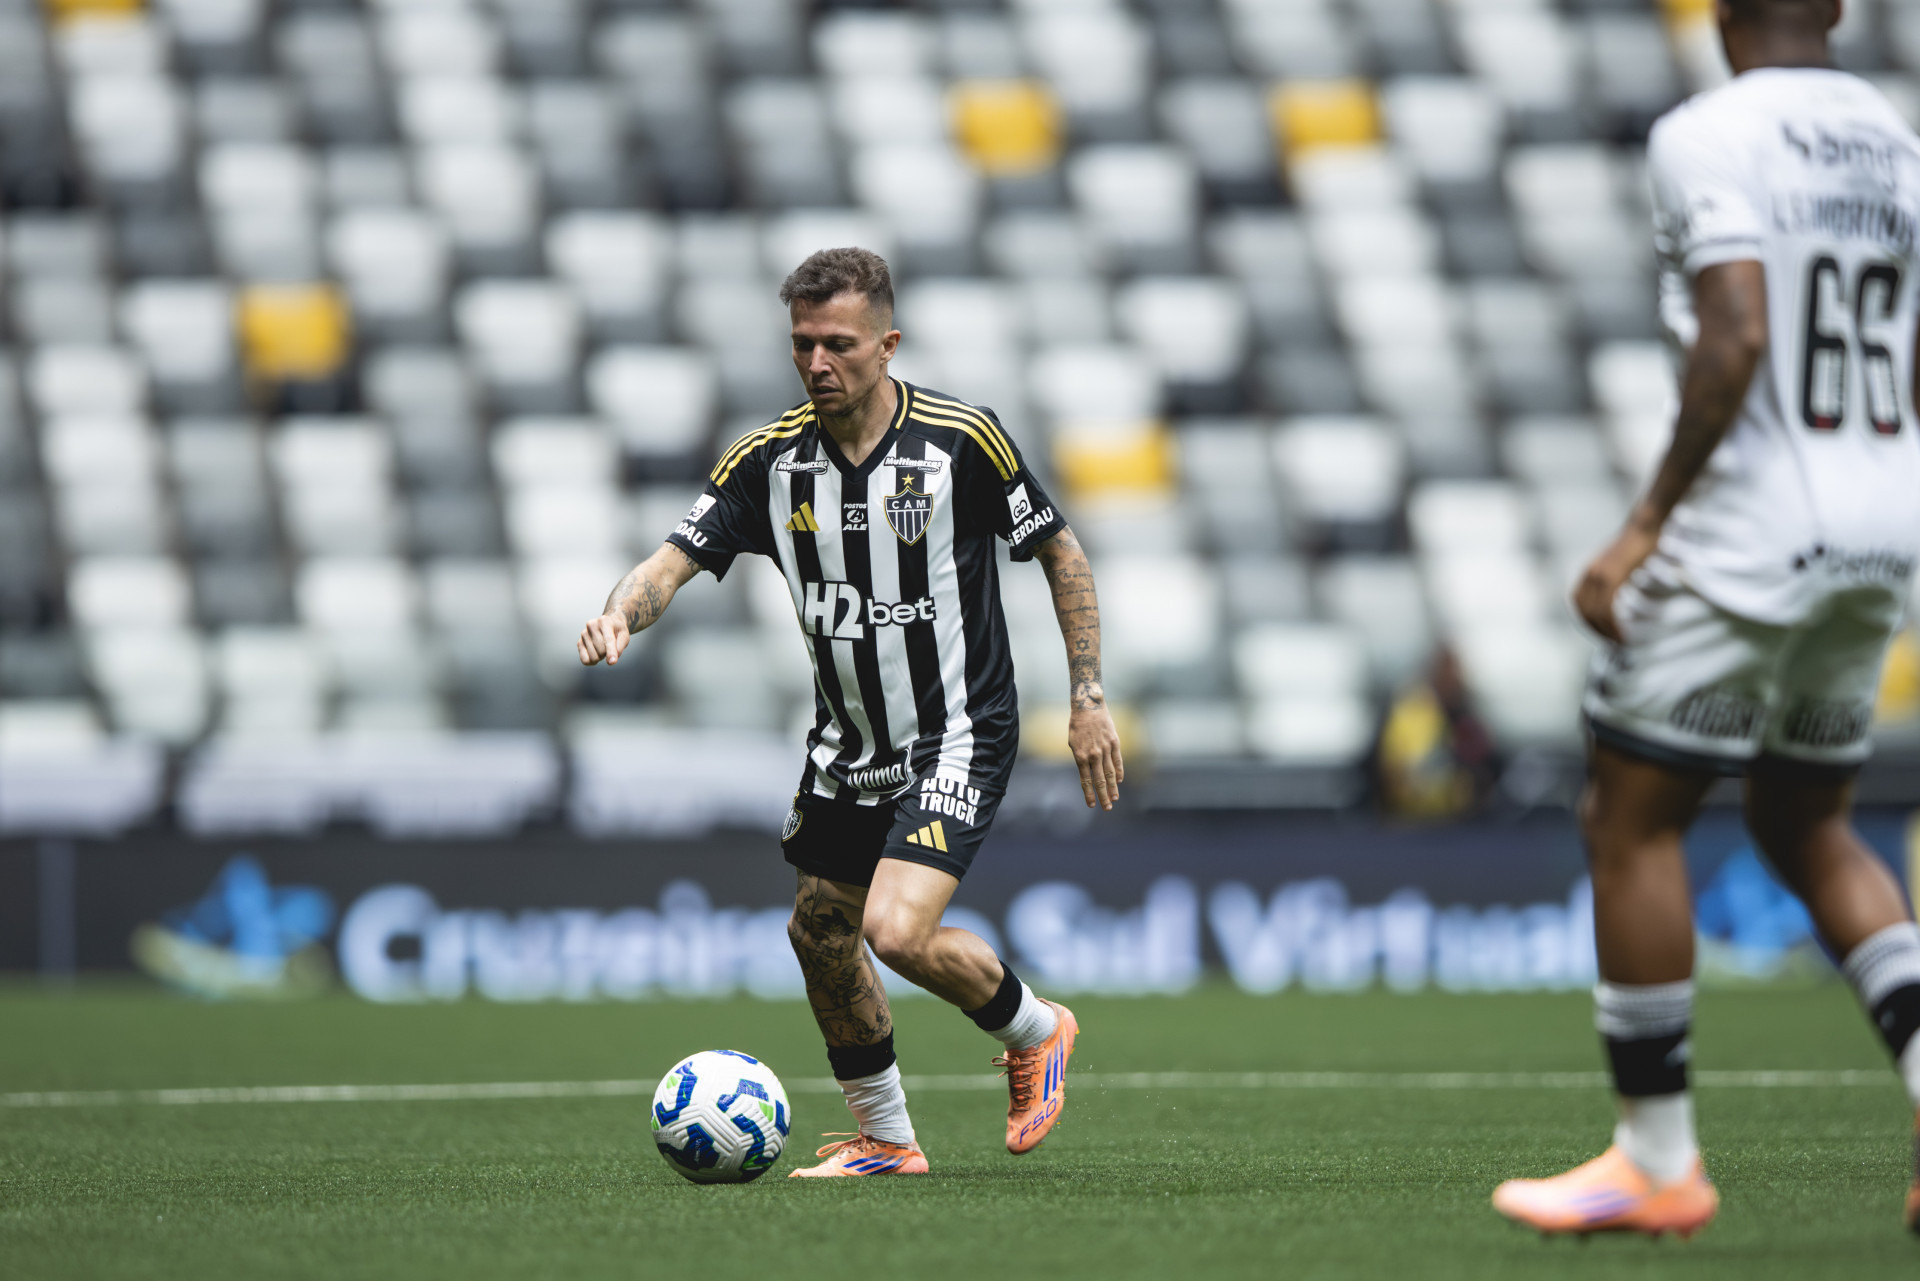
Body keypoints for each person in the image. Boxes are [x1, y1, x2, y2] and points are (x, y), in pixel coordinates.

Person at [1491, 0, 1920, 1238]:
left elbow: (1734, 335)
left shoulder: (1708, 132)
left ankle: (1656, 1159)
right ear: (1837, 9)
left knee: (1631, 816)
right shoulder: (1896, 143)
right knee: (1805, 818)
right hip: (1882, 520)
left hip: (1753, 528)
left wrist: (1643, 527)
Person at [578, 247, 1124, 1177]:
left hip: (958, 731)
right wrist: (620, 612)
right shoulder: (768, 460)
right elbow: (670, 560)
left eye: (839, 343)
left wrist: (1087, 697)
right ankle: (887, 1140)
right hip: (848, 745)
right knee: (820, 930)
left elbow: (1061, 553)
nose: (818, 362)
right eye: (803, 344)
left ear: (888, 344)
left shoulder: (961, 440)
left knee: (893, 929)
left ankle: (1037, 1029)